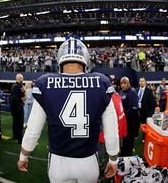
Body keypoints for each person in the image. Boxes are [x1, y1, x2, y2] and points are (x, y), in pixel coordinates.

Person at [17, 38, 119, 183]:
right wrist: (113, 160)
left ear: (60, 60)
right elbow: (112, 132)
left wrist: (23, 156)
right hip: (88, 162)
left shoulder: (46, 82)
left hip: (59, 163)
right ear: (85, 60)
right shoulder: (101, 82)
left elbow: (33, 130)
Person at [119, 77, 139, 156]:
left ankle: (128, 155)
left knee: (129, 139)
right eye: (121, 83)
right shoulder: (121, 92)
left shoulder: (132, 92)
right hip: (123, 120)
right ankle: (124, 152)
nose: (123, 85)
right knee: (124, 138)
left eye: (125, 83)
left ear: (128, 83)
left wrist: (123, 116)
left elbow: (133, 109)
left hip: (130, 121)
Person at [10, 74, 25, 143]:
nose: (22, 80)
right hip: (18, 107)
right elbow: (23, 97)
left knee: (16, 122)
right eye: (22, 78)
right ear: (19, 79)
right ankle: (19, 138)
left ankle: (15, 136)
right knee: (19, 123)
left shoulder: (14, 86)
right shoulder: (18, 86)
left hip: (15, 107)